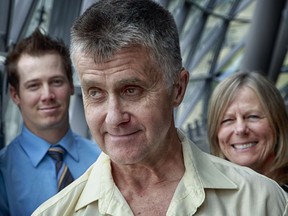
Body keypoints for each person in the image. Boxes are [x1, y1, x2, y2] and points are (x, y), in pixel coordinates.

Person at [32, 1, 288, 215]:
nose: (113, 118)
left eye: (131, 90)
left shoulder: (261, 203)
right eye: (95, 93)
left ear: (177, 88)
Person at [0, 29, 101, 216]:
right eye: (34, 86)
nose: (47, 95)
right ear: (15, 95)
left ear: (71, 85)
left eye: (56, 82)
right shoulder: (3, 172)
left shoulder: (103, 160)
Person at [207, 71, 288, 191]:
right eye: (228, 120)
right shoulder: (208, 196)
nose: (240, 129)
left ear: (277, 122)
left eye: (253, 117)